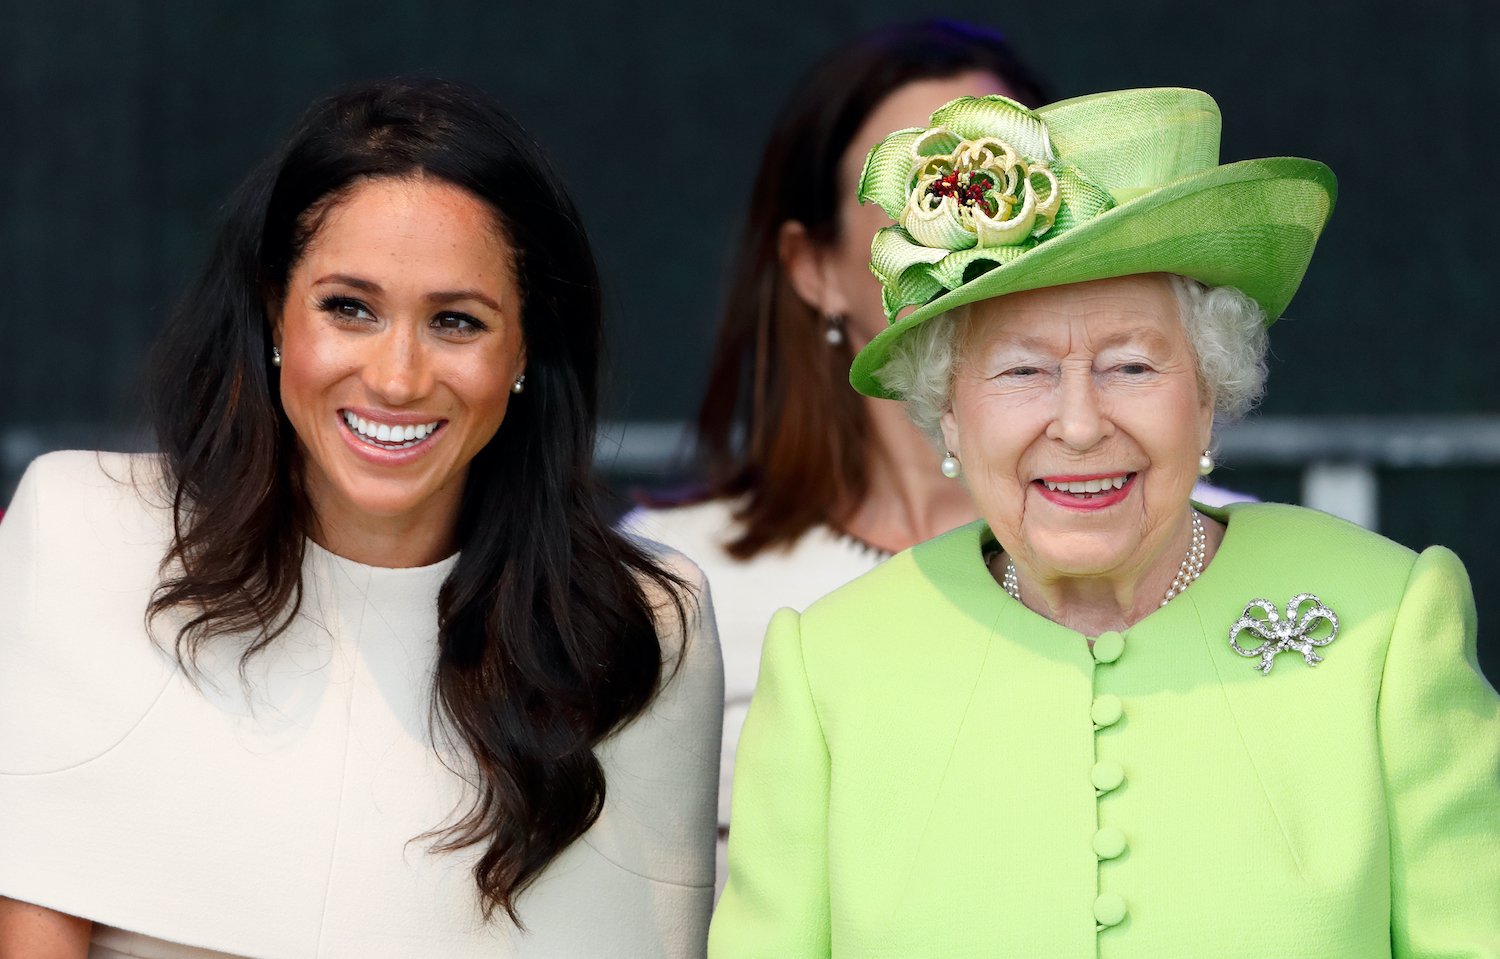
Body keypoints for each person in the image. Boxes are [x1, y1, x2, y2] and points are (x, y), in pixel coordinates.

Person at [708, 88, 1500, 955]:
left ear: (1207, 397)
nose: (1080, 424)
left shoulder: (1389, 623)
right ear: (951, 417)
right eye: (1020, 371)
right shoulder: (830, 667)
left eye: (1131, 364)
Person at [0, 78, 721, 958]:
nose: (397, 377)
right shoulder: (81, 532)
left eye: (456, 321)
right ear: (274, 309)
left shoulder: (638, 626)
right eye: (350, 308)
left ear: (526, 349)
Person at [625, 20, 1050, 883]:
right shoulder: (667, 579)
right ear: (811, 265)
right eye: (920, 181)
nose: (970, 218)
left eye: (1005, 176)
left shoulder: (1200, 548)